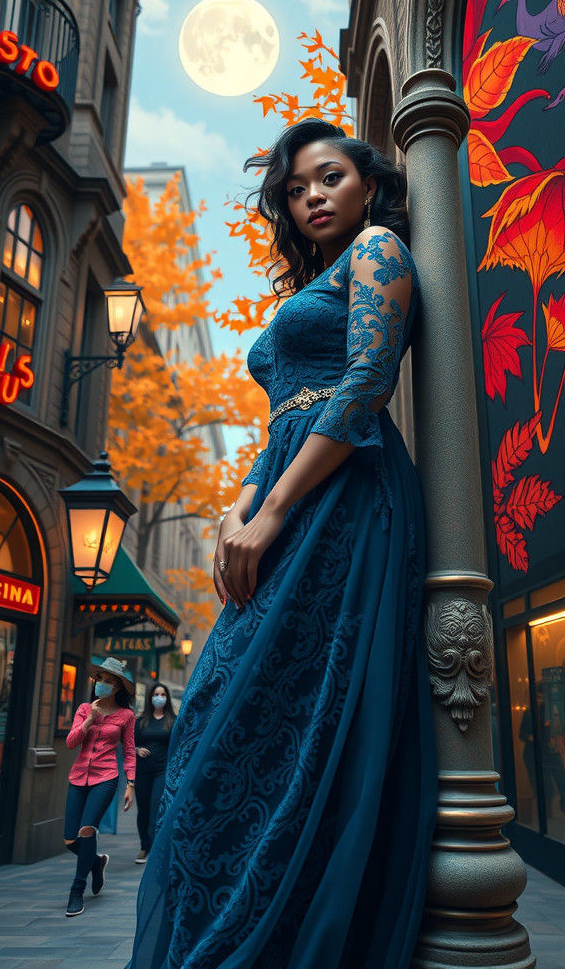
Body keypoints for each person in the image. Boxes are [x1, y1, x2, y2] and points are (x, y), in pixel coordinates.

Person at [126, 117, 437, 969]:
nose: (312, 197)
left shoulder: (377, 248)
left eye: (330, 177)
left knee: (285, 718)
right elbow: (280, 421)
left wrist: (272, 513)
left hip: (345, 501)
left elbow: (367, 382)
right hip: (289, 495)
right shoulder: (319, 278)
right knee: (212, 723)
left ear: (369, 184)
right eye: (296, 190)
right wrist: (239, 509)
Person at [63, 656, 136, 917]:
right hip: (78, 776)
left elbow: (129, 750)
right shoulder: (84, 708)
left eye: (107, 681)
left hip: (106, 777)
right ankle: (96, 862)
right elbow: (71, 742)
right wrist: (89, 719)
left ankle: (76, 891)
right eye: (99, 679)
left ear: (117, 687)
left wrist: (130, 783)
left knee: (87, 830)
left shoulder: (126, 716)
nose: (101, 684)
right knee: (70, 840)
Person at [134, 682, 175, 864]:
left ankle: (154, 848)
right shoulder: (140, 721)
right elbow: (129, 744)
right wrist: (137, 750)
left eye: (163, 695)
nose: (159, 698)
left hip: (162, 770)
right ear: (150, 697)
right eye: (156, 694)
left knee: (156, 808)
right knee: (143, 810)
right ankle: (144, 847)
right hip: (142, 771)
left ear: (167, 698)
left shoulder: (172, 721)